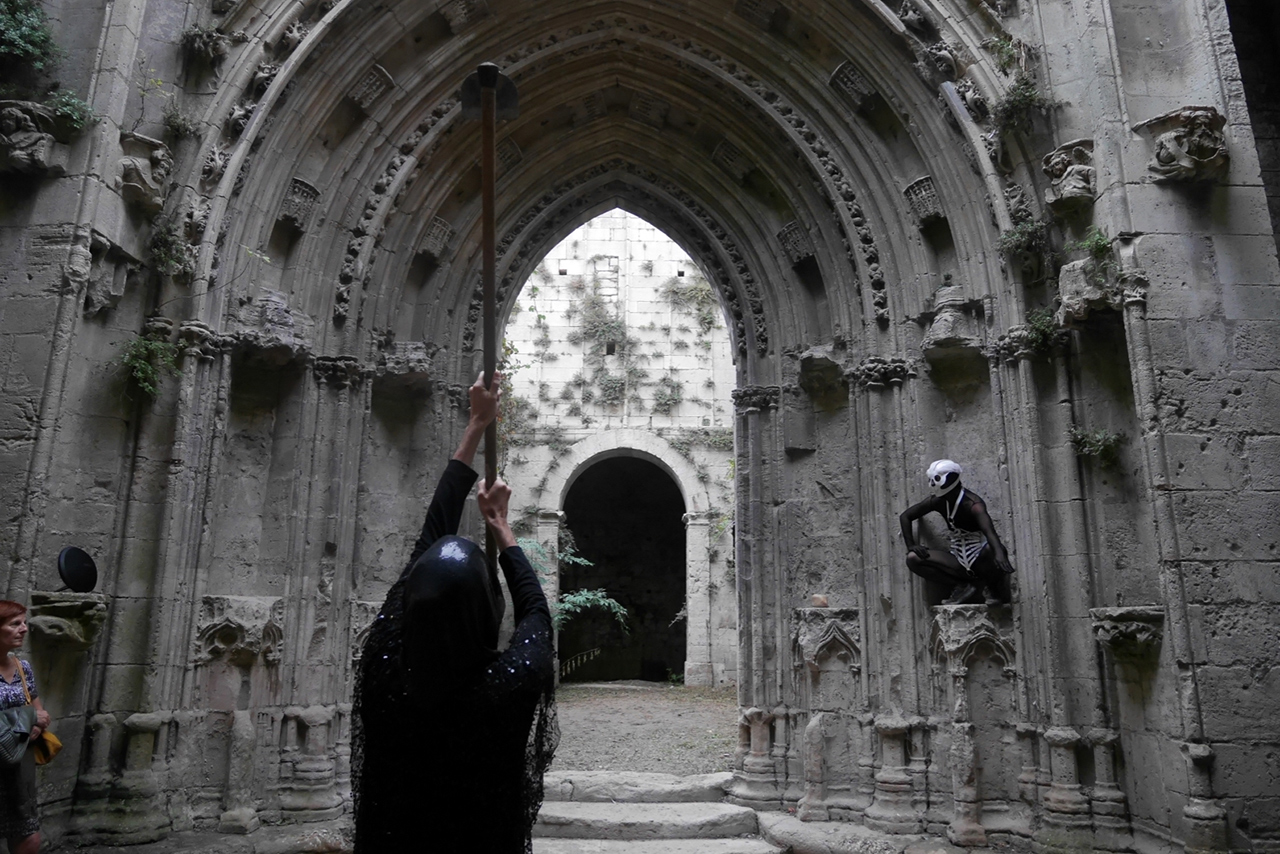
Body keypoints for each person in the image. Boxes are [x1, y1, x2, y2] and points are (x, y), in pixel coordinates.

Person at [352, 371, 558, 854]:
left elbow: (427, 544)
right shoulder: (508, 685)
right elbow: (536, 609)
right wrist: (501, 527)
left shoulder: (386, 665)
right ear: (485, 609)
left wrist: (475, 426)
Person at [899, 460, 1015, 605]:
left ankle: (993, 589)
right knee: (913, 558)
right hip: (957, 560)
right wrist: (911, 545)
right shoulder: (939, 501)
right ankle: (962, 586)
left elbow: (989, 532)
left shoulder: (973, 504)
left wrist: (999, 554)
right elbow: (905, 516)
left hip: (979, 560)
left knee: (994, 549)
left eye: (937, 479)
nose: (934, 484)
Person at [0, 601, 49, 854]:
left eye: (24, 623)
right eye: (15, 624)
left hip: (20, 761)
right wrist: (25, 719)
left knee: (28, 834)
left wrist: (37, 724)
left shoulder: (23, 667)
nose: (24, 629)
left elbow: (39, 712)